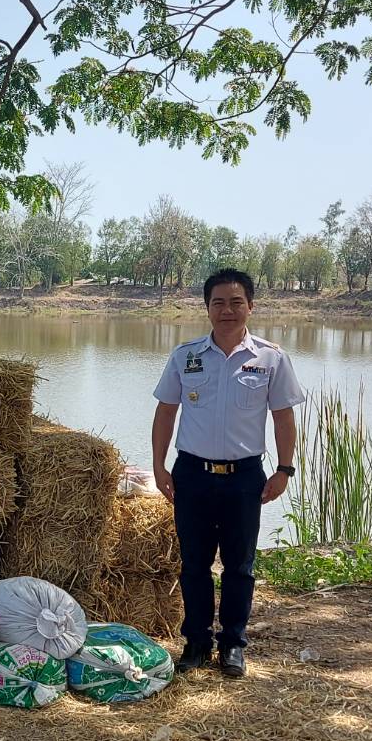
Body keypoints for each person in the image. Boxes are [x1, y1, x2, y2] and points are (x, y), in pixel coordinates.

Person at [150, 268, 305, 679]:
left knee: (240, 566)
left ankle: (233, 644)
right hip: (192, 474)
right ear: (207, 308)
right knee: (194, 564)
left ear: (251, 306)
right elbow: (166, 411)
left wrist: (284, 469)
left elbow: (284, 418)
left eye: (236, 302)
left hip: (244, 477)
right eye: (218, 302)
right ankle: (196, 642)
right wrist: (158, 465)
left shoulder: (270, 359)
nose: (227, 310)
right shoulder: (186, 356)